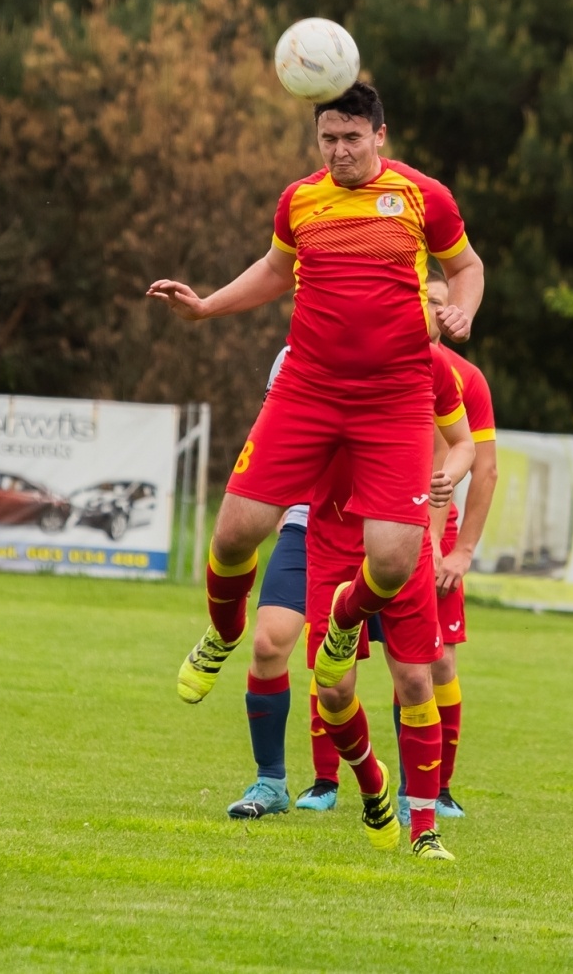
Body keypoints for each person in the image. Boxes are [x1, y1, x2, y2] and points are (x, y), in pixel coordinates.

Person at [148, 81, 484, 711]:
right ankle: (223, 633)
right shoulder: (300, 200)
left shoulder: (422, 196)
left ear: (379, 136)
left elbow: (467, 267)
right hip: (307, 389)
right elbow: (276, 270)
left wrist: (462, 310)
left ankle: (345, 620)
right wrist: (207, 307)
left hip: (395, 398)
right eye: (327, 139)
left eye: (351, 139)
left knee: (389, 563)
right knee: (232, 535)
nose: (338, 152)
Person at [302, 371, 475, 860]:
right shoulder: (325, 356)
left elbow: (465, 445)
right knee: (334, 692)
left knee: (418, 682)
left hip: (405, 536)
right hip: (335, 540)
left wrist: (449, 472)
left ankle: (424, 829)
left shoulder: (432, 365)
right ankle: (371, 781)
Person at [396, 273, 499, 823]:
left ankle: (437, 788)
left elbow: (483, 470)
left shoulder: (465, 379)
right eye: (421, 300)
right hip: (374, 519)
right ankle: (324, 782)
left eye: (440, 302)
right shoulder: (379, 364)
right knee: (333, 657)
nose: (431, 311)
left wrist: (456, 550)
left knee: (435, 661)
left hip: (434, 527)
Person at [226, 347, 332, 818]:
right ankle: (270, 782)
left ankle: (420, 798)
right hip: (307, 526)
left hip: (376, 527)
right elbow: (275, 437)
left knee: (411, 674)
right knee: (268, 645)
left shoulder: (399, 353)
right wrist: (277, 498)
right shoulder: (291, 356)